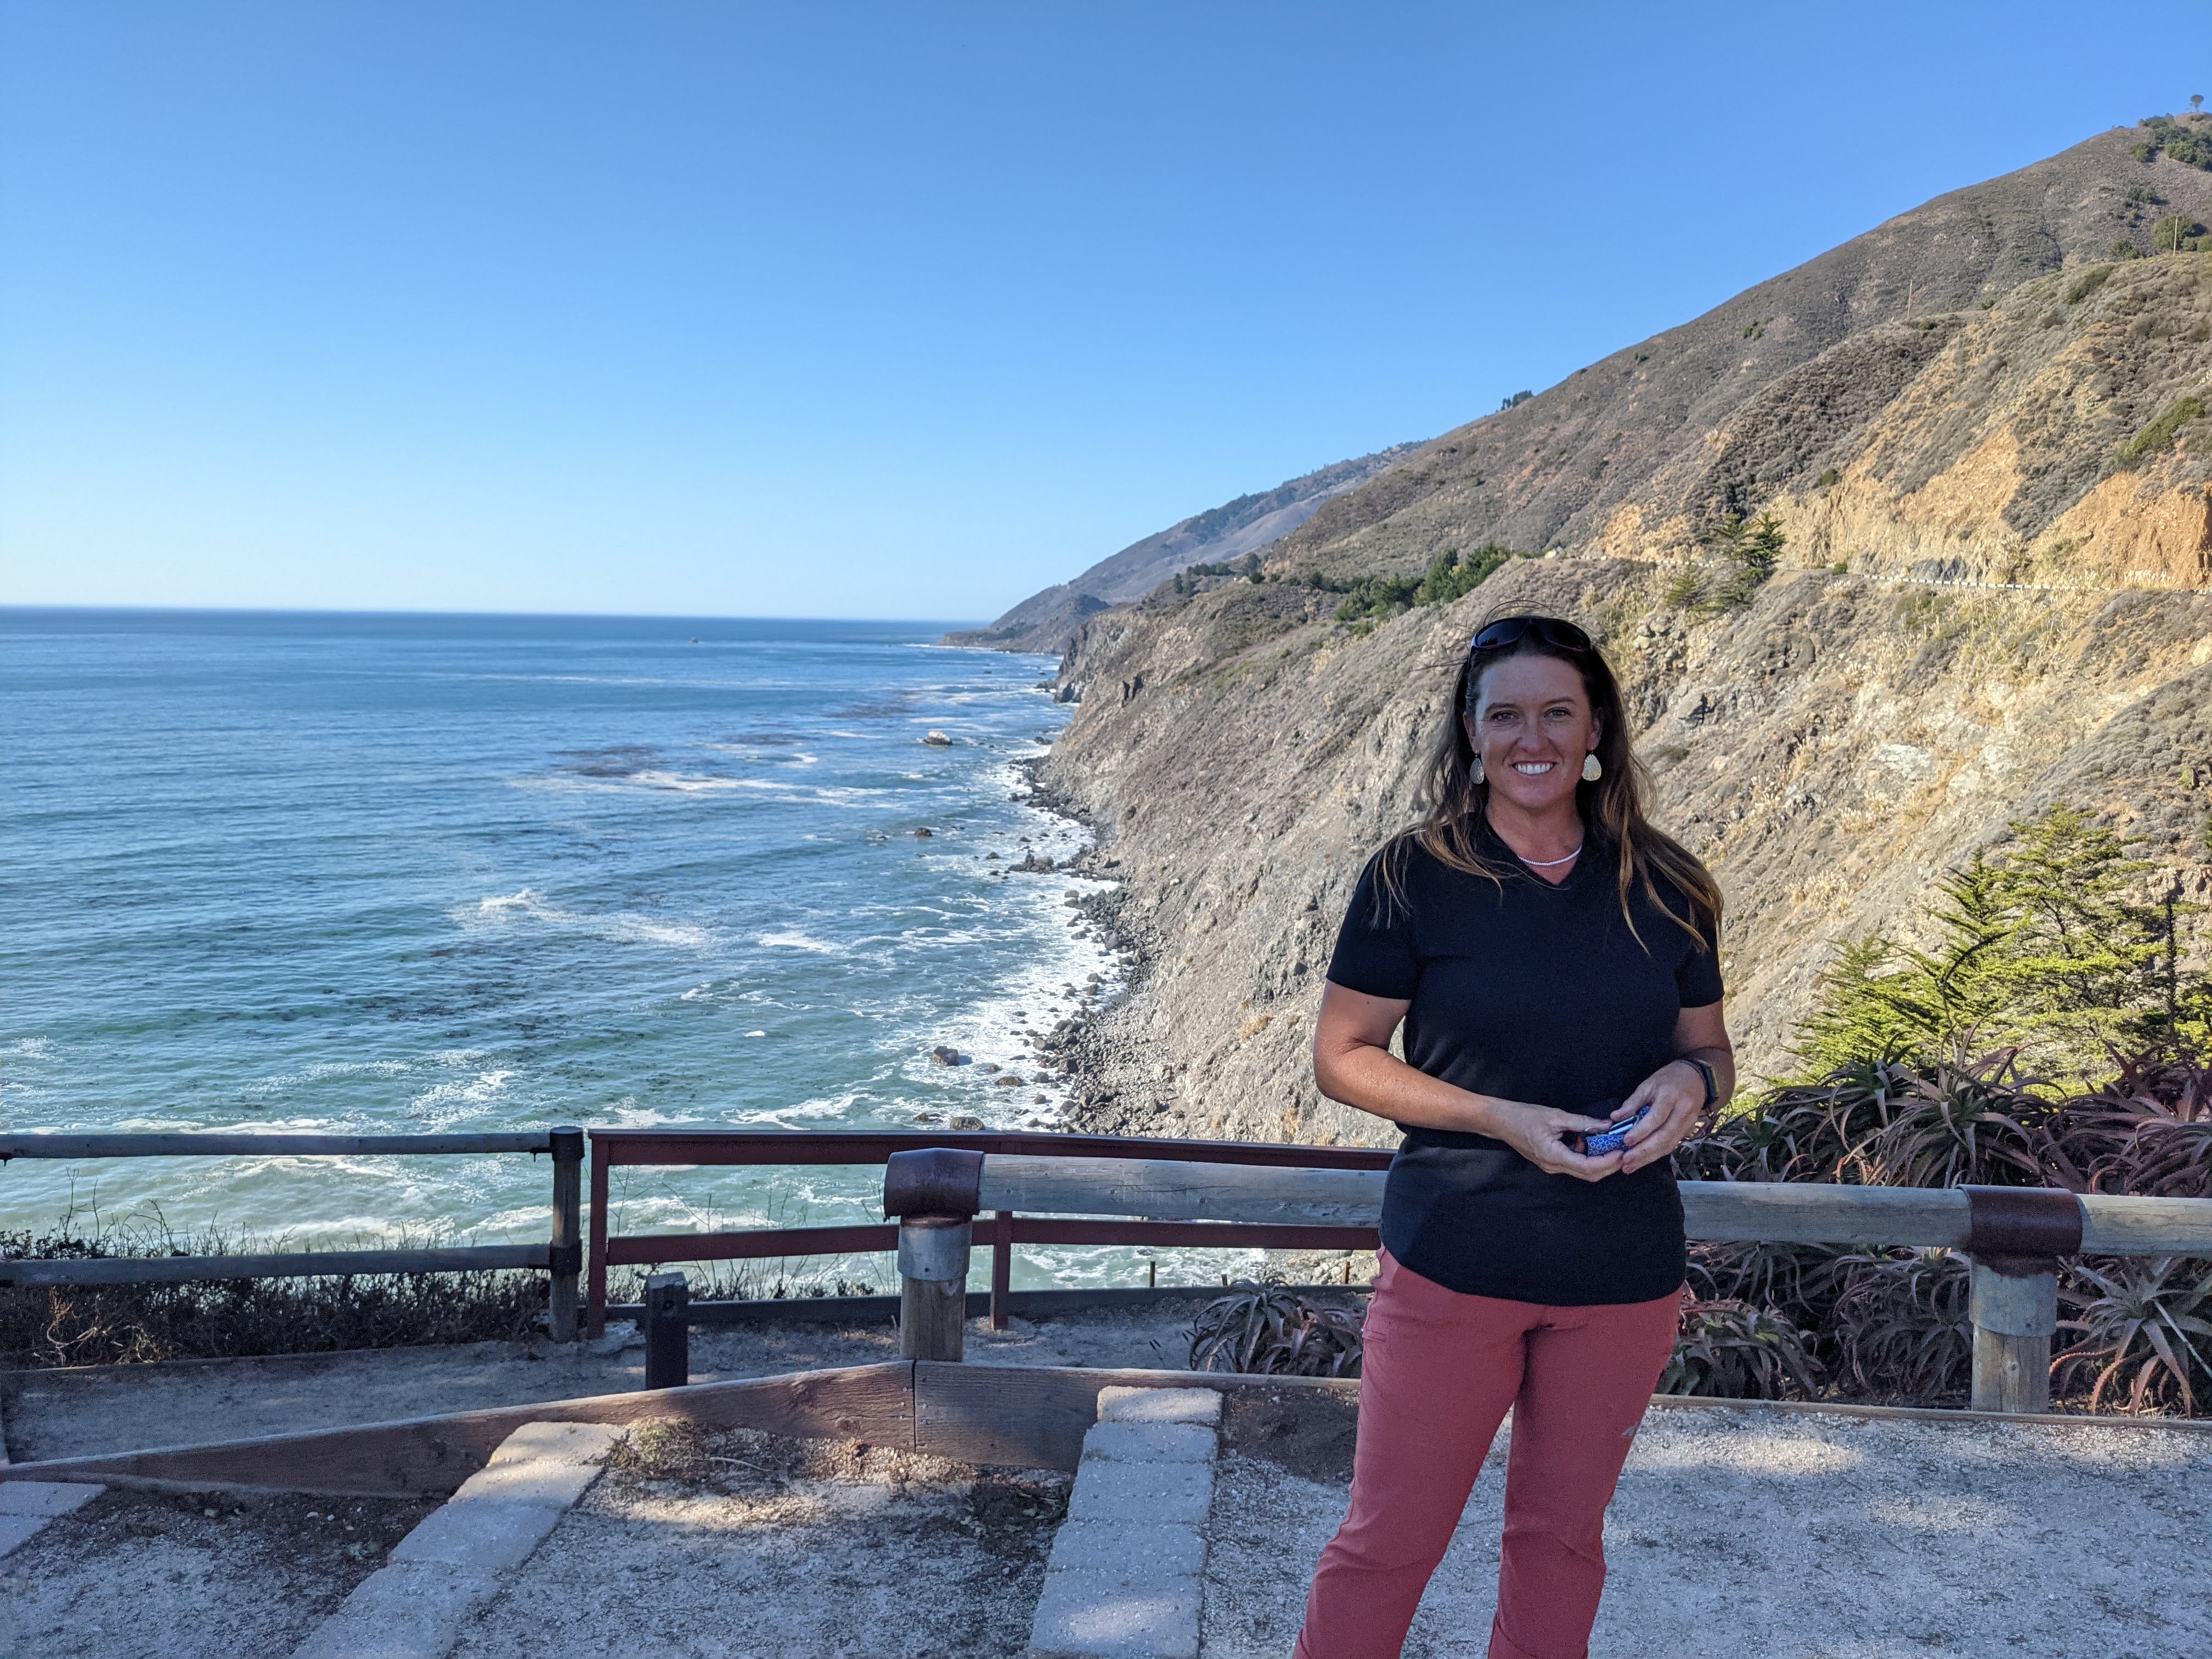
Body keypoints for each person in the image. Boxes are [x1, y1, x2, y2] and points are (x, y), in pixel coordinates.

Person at [1295, 610, 1734, 1659]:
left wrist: (1692, 1084)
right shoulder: (1411, 876)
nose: (1530, 739)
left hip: (1622, 1274)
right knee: (1389, 1542)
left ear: (1597, 731)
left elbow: (1713, 1052)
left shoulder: (1669, 885)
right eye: (1505, 717)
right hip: (1455, 1261)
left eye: (1556, 714)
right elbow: (1342, 1056)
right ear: (1471, 732)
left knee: (1563, 1543)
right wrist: (1497, 1116)